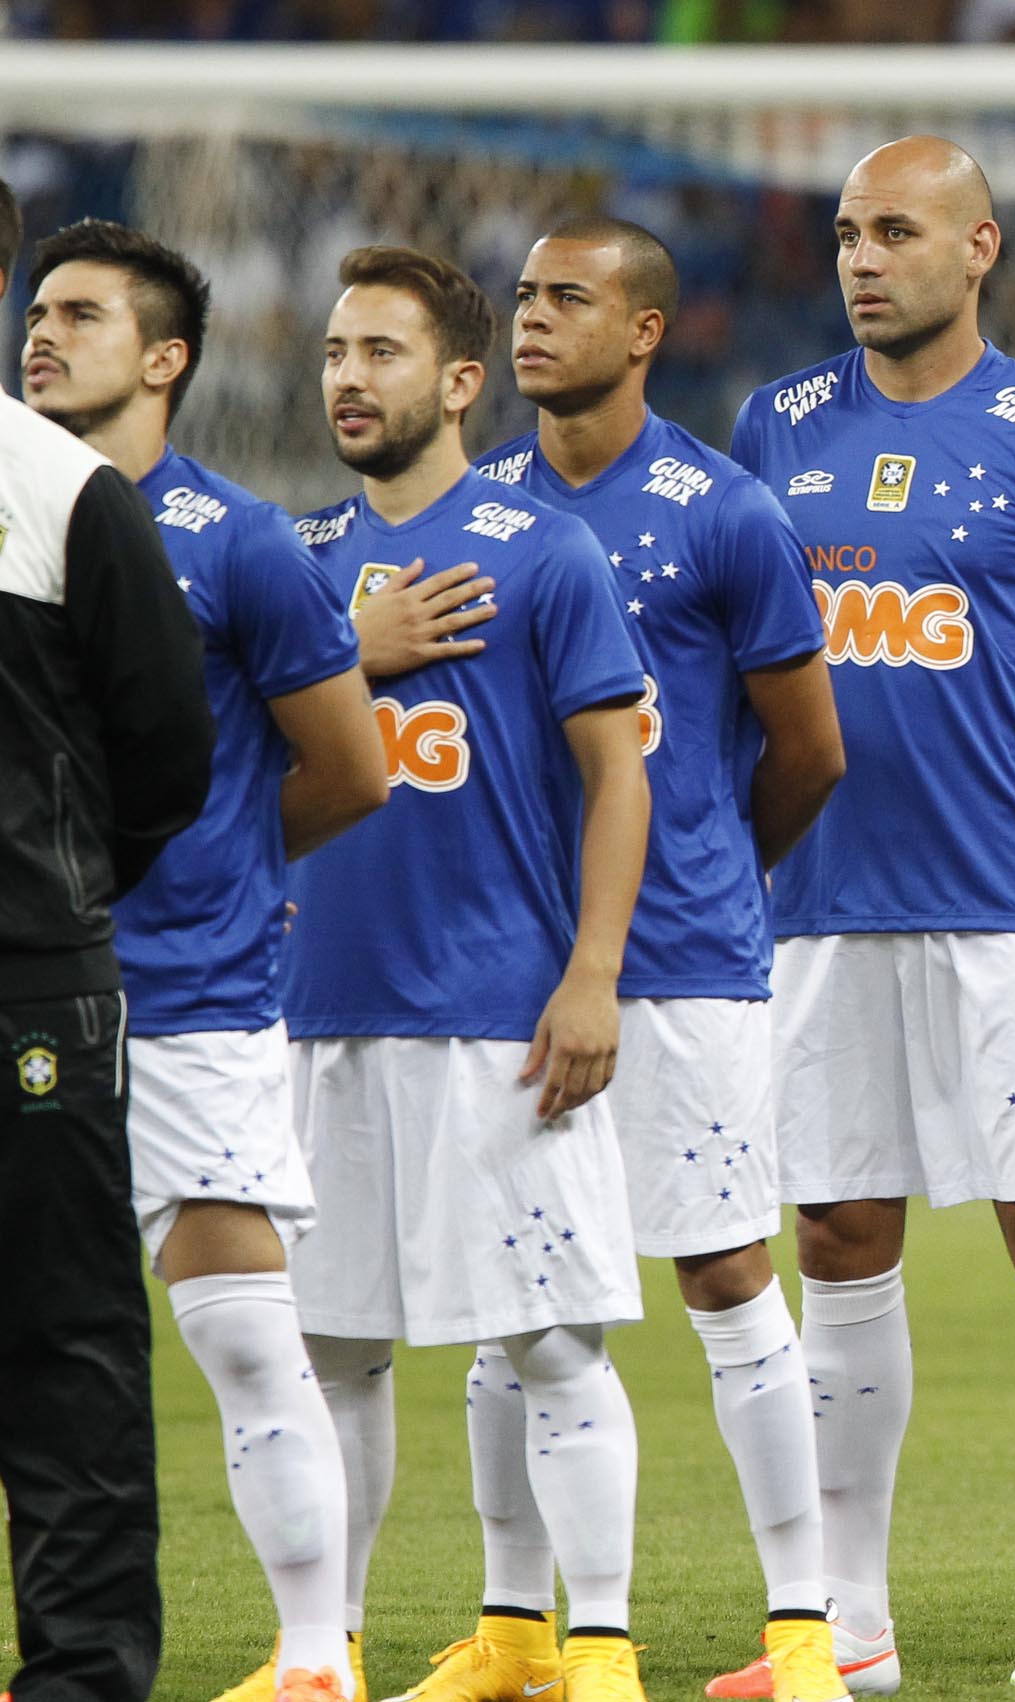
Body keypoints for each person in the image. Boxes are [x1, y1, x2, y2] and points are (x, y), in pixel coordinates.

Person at [724, 136, 1015, 1702]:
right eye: (846, 231)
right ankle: (848, 1625)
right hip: (824, 908)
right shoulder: (771, 427)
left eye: (894, 230)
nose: (860, 257)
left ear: (978, 246)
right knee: (838, 1237)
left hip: (1013, 909)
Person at [468, 217, 849, 1700]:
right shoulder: (476, 509)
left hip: (686, 957)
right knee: (511, 1294)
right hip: (504, 964)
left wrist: (703, 865)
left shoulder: (724, 509)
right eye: (520, 297)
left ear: (642, 331)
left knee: (727, 1269)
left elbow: (810, 748)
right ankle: (516, 1629)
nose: (532, 320)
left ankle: (803, 1622)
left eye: (569, 296)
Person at [22, 217, 390, 1702]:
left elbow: (351, 768)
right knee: (40, 1350)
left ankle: (314, 1657)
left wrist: (217, 868)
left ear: (165, 357)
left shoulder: (244, 541)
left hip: (188, 999)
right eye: (37, 310)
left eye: (84, 315)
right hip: (27, 989)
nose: (43, 335)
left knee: (243, 1333)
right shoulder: (13, 517)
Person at [285, 244, 655, 1702]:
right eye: (330, 351)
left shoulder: (542, 550)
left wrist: (595, 973)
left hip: (498, 1012)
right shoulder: (299, 563)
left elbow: (619, 775)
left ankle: (602, 1645)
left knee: (553, 1340)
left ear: (455, 379)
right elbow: (219, 771)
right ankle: (331, 1651)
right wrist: (344, 651)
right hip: (321, 1015)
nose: (347, 378)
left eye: (378, 351)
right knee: (333, 1358)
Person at [0, 176, 215, 1702]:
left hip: (25, 994)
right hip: (38, 971)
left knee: (64, 1355)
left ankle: (80, 1680)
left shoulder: (61, 491)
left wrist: (49, 902)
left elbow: (167, 755)